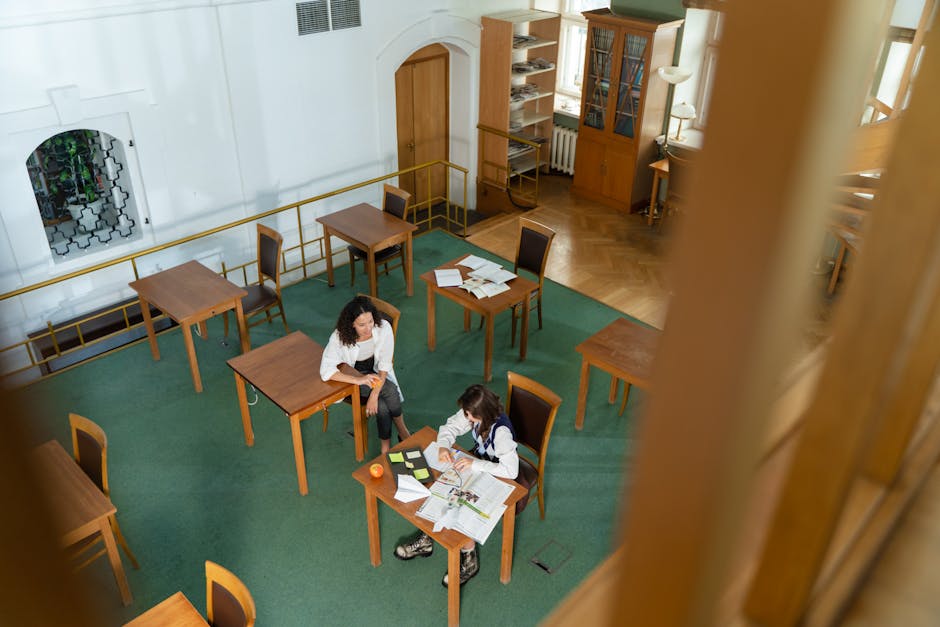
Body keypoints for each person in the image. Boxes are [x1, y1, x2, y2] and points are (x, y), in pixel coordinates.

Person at [393, 383, 519, 587]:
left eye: (469, 415)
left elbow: (511, 471)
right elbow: (450, 427)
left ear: (481, 413)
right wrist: (443, 446)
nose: (466, 418)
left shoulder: (501, 432)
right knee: (438, 485)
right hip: (476, 462)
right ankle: (428, 537)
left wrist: (475, 464)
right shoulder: (476, 414)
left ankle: (469, 561)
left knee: (460, 503)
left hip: (498, 474)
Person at [320, 295, 410, 454]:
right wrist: (359, 379)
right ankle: (403, 432)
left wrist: (374, 395)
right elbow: (326, 371)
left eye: (370, 321)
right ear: (351, 324)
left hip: (375, 371)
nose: (368, 328)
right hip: (353, 376)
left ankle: (385, 447)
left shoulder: (383, 328)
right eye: (362, 324)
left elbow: (384, 364)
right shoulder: (339, 337)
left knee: (382, 403)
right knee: (389, 390)